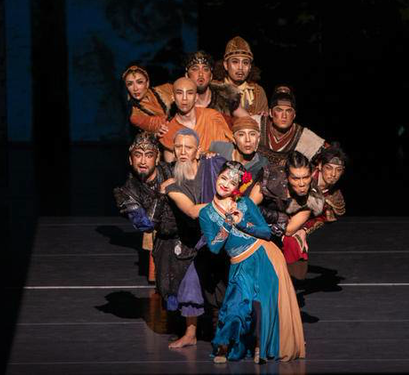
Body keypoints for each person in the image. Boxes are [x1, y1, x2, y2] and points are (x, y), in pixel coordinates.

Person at [199, 161, 306, 363]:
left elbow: (266, 232)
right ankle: (223, 346)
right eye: (223, 178)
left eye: (232, 182)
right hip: (240, 264)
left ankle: (260, 347)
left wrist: (242, 222)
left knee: (263, 305)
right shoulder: (206, 213)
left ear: (237, 187)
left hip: (263, 256)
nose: (225, 184)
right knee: (235, 307)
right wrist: (228, 223)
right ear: (217, 177)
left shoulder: (246, 204)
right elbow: (214, 247)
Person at [162, 128, 230, 349]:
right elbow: (192, 211)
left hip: (228, 234)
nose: (183, 151)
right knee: (190, 283)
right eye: (178, 147)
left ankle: (235, 334)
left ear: (198, 150)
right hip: (198, 241)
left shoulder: (212, 166)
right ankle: (190, 333)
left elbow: (235, 179)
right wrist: (225, 205)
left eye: (188, 147)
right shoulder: (174, 186)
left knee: (229, 285)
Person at [112, 132, 172, 283]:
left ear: (157, 158)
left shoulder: (172, 171)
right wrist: (161, 194)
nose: (143, 161)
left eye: (149, 155)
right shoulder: (126, 193)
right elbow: (146, 225)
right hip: (163, 241)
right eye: (138, 155)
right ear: (130, 159)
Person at [257, 151, 325, 280]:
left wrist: (276, 218)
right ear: (287, 177)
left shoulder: (312, 198)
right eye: (295, 178)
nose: (302, 183)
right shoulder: (270, 180)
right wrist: (275, 216)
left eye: (306, 177)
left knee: (296, 273)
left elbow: (288, 229)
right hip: (251, 225)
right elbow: (249, 205)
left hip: (275, 233)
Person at [159, 77, 233, 162]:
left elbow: (228, 149)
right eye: (179, 93)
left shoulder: (212, 117)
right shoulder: (169, 130)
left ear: (196, 97)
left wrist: (212, 156)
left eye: (190, 93)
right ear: (173, 97)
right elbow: (171, 165)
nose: (184, 98)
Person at [255, 85, 326, 167]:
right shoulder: (257, 123)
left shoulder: (303, 135)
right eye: (279, 110)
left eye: (288, 111)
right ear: (270, 113)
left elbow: (329, 155)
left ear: (294, 115)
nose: (284, 116)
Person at [184, 50, 249, 127]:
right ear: (187, 75)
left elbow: (249, 121)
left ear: (211, 76)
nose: (200, 74)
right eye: (195, 69)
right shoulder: (181, 101)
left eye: (205, 69)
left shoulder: (226, 97)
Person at [213, 36, 268, 115]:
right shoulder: (214, 89)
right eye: (235, 62)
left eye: (245, 63)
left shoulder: (257, 92)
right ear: (226, 65)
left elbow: (262, 121)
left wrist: (261, 118)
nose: (240, 67)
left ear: (250, 67)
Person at [302, 143, 348, 237]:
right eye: (328, 168)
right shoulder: (303, 179)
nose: (333, 174)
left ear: (342, 171)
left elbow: (324, 219)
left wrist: (305, 228)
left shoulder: (335, 197)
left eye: (338, 170)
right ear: (320, 166)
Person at [122, 64, 173, 136]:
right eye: (130, 84)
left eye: (139, 82)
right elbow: (164, 125)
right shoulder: (135, 116)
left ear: (147, 83)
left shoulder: (168, 88)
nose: (135, 88)